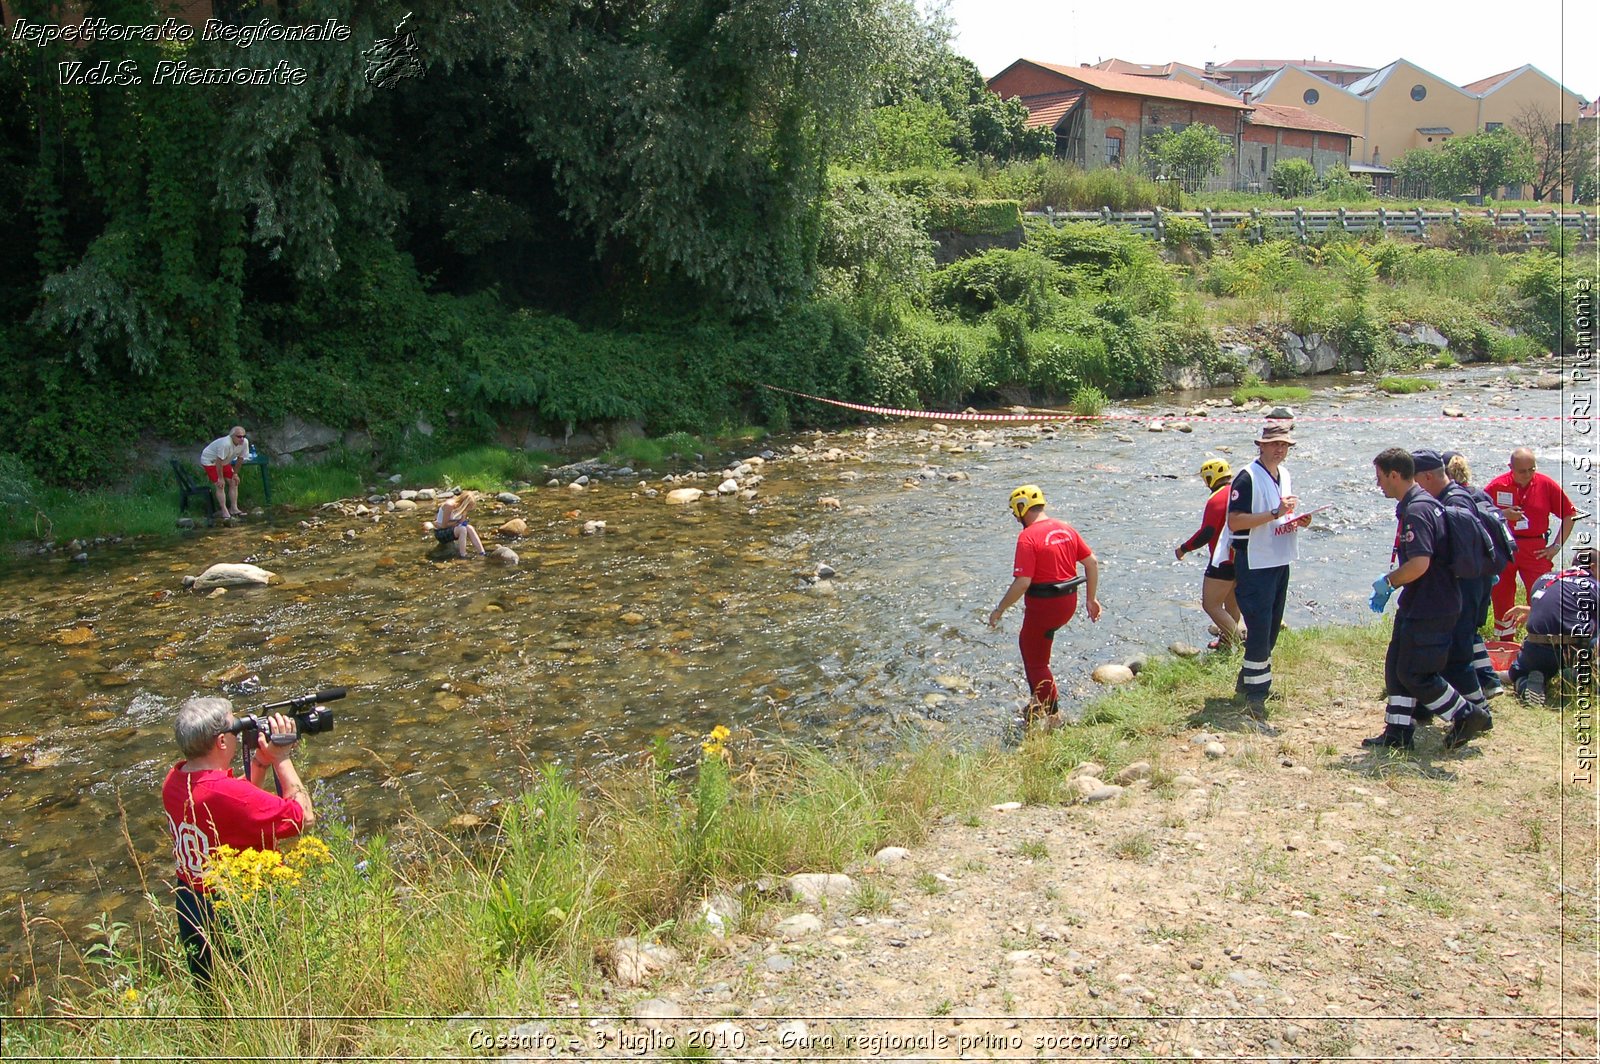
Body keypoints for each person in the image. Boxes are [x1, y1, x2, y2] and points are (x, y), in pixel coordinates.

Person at [163, 696, 315, 981]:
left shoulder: (174, 781)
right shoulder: (224, 794)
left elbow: (233, 804)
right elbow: (303, 818)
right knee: (258, 984)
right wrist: (282, 758)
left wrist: (259, 762)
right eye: (235, 728)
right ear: (221, 742)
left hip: (190, 903)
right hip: (235, 907)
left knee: (212, 994)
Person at [1365, 449, 1492, 752]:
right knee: (1397, 665)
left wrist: (1389, 582)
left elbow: (1419, 563)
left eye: (1380, 478)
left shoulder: (1419, 510)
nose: (1378, 484)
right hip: (1420, 601)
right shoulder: (1419, 503)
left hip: (1432, 604)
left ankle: (1465, 715)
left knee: (1416, 674)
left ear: (1395, 475)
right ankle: (1398, 730)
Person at [1212, 421, 1310, 720]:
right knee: (1258, 625)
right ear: (1262, 446)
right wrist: (1275, 514)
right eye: (1275, 444)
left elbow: (1280, 516)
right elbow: (1235, 522)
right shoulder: (1247, 476)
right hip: (1255, 561)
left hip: (1279, 557)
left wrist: (1298, 519)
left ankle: (1254, 679)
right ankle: (1256, 692)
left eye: (1285, 445)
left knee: (1271, 626)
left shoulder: (1284, 474)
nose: (1281, 449)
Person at [988, 484, 1102, 729]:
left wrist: (1000, 609)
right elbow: (1091, 562)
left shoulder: (1028, 536)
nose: (1015, 517)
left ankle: (1052, 716)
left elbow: (1022, 583)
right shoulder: (1065, 528)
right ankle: (1039, 703)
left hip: (1044, 606)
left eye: (1015, 511)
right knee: (1041, 649)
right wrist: (1091, 599)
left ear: (1021, 508)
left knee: (1034, 659)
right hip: (1068, 603)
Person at [1409, 450, 1489, 723]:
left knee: (1457, 653)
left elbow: (1462, 556)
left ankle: (1480, 713)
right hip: (1463, 584)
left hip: (1464, 586)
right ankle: (1428, 706)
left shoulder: (1454, 503)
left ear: (1428, 476)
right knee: (1446, 651)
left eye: (1414, 478)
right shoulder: (1449, 497)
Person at [1484, 448, 1577, 639]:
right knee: (1502, 599)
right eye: (1522, 471)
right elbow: (1479, 515)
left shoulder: (1545, 484)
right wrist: (1502, 515)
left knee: (1542, 597)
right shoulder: (1497, 485)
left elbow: (1570, 514)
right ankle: (1506, 643)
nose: (1527, 475)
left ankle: (1538, 641)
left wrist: (1556, 547)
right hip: (1505, 548)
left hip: (1536, 549)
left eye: (1531, 469)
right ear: (1511, 468)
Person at [1442, 451, 1510, 697]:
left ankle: (1472, 692)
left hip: (1467, 577)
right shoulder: (1480, 495)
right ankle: (1491, 681)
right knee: (1471, 630)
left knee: (1460, 632)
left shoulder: (1451, 500)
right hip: (1486, 574)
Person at [1501, 547, 1598, 705]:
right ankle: (1575, 676)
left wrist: (1530, 611)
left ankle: (1524, 681)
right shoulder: (1594, 586)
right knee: (1593, 637)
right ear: (1593, 567)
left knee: (1519, 673)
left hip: (1534, 648)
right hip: (1569, 652)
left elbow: (1551, 610)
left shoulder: (1545, 578)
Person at [1175, 458, 1242, 649]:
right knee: (1232, 604)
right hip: (1240, 557)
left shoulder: (1217, 498)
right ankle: (1226, 643)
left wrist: (1184, 548)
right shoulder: (1237, 492)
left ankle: (1240, 644)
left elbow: (1207, 532)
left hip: (1223, 560)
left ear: (1211, 478)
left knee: (1211, 605)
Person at [200, 426, 252, 521]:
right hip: (210, 461)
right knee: (220, 485)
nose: (242, 439)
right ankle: (224, 510)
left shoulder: (245, 442)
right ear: (232, 436)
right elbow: (218, 461)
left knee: (234, 481)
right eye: (239, 436)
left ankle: (234, 508)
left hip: (224, 461)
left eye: (243, 436)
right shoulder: (225, 444)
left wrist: (235, 474)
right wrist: (220, 478)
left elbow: (240, 459)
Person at [434, 491, 487, 558]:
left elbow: (461, 522)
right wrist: (457, 523)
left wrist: (461, 522)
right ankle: (463, 555)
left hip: (453, 530)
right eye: (468, 507)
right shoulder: (449, 506)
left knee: (470, 528)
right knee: (462, 529)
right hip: (441, 532)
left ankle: (482, 552)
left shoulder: (463, 509)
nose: (467, 510)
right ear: (464, 503)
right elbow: (444, 525)